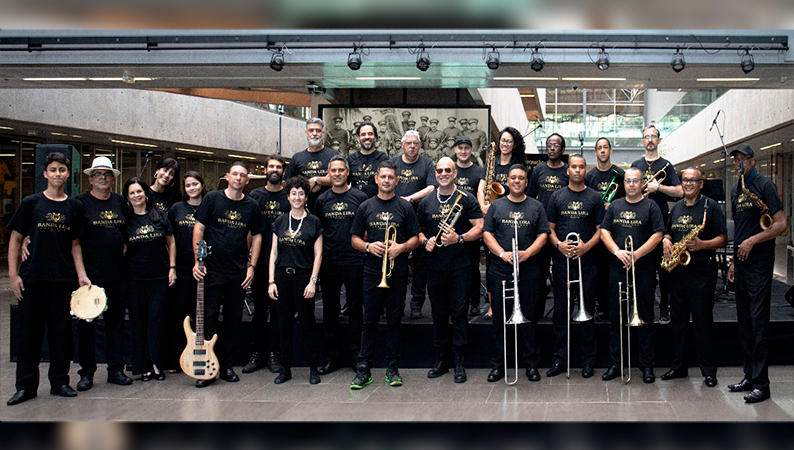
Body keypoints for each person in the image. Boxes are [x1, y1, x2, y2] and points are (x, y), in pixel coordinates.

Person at [7, 152, 86, 405]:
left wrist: (81, 275)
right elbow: (16, 239)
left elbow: (75, 245)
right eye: (53, 170)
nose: (57, 174)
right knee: (29, 335)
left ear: (67, 174)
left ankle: (60, 382)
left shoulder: (74, 206)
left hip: (63, 280)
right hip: (33, 279)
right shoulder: (31, 203)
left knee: (61, 335)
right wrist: (13, 275)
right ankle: (26, 386)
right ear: (45, 173)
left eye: (62, 170)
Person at [192, 161, 265, 388]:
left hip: (237, 273)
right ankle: (206, 366)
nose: (238, 178)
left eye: (243, 175)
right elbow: (199, 229)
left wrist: (251, 267)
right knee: (209, 318)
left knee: (233, 321)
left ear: (246, 180)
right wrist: (198, 261)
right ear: (227, 176)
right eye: (235, 174)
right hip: (212, 271)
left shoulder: (251, 206)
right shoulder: (212, 199)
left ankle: (226, 365)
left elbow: (258, 236)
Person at [349, 160, 420, 389]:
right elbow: (355, 239)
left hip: (397, 272)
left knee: (394, 321)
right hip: (372, 271)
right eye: (383, 177)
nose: (387, 181)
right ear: (376, 179)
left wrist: (401, 248)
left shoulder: (405, 207)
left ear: (397, 181)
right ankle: (364, 369)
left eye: (391, 177)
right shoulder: (366, 206)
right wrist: (369, 247)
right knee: (368, 321)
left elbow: (416, 238)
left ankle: (392, 367)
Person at [727, 144, 787, 403]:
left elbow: (782, 224)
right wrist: (732, 262)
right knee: (744, 324)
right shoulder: (735, 189)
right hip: (740, 263)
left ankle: (763, 385)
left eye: (742, 159)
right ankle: (749, 375)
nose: (738, 164)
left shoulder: (765, 186)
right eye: (735, 160)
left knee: (759, 323)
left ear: (752, 161)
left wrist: (753, 240)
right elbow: (739, 229)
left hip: (760, 263)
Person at [417, 157, 483, 383]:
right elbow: (419, 231)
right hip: (435, 267)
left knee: (458, 313)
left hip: (460, 266)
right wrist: (424, 240)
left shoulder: (467, 199)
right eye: (439, 170)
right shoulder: (426, 202)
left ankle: (459, 360)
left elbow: (481, 227)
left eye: (448, 170)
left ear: (455, 173)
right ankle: (441, 359)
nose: (443, 173)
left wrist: (460, 238)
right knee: (438, 314)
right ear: (435, 174)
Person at [483, 164, 549, 383]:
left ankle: (531, 365)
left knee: (529, 319)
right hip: (501, 270)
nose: (517, 181)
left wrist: (528, 253)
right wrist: (502, 254)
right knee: (499, 321)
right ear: (508, 181)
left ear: (527, 182)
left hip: (529, 270)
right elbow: (487, 235)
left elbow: (543, 235)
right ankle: (499, 365)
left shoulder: (536, 206)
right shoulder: (496, 206)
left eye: (521, 178)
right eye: (513, 178)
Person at [661, 167, 726, 388]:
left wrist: (702, 245)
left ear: (701, 184)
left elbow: (723, 238)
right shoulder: (677, 207)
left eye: (692, 180)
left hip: (701, 274)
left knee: (702, 323)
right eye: (685, 180)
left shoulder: (711, 207)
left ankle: (708, 371)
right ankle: (679, 367)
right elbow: (669, 231)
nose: (688, 184)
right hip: (677, 273)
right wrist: (667, 240)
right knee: (677, 323)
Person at [600, 167, 664, 384]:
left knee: (646, 316)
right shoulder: (615, 205)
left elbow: (658, 234)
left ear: (642, 183)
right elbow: (604, 232)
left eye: (636, 181)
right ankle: (615, 364)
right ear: (624, 183)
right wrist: (618, 251)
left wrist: (636, 255)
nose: (632, 184)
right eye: (628, 181)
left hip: (643, 269)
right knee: (616, 318)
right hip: (618, 268)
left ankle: (647, 366)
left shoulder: (651, 206)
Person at [73, 157, 133, 390]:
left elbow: (128, 233)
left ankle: (115, 370)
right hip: (88, 278)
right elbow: (74, 242)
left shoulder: (120, 202)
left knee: (115, 326)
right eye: (98, 174)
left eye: (107, 174)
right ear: (90, 178)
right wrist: (81, 274)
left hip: (117, 275)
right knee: (86, 327)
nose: (102, 178)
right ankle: (86, 373)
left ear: (113, 179)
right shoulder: (80, 203)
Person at [545, 154, 603, 378]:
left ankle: (588, 361)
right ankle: (560, 360)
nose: (577, 170)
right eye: (574, 167)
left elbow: (601, 230)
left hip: (586, 262)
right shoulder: (557, 196)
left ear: (585, 170)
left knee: (587, 312)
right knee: (561, 313)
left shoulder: (595, 197)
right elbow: (548, 228)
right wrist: (559, 245)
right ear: (567, 171)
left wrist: (585, 247)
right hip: (561, 262)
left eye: (581, 167)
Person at [314, 155, 369, 374]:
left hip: (355, 261)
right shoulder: (321, 200)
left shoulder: (360, 197)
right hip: (329, 262)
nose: (337, 174)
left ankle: (357, 356)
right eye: (333, 171)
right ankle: (332, 357)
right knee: (330, 311)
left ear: (347, 173)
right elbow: (319, 231)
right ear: (329, 173)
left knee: (356, 311)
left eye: (340, 170)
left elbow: (365, 229)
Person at [267, 176, 323, 385]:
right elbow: (273, 253)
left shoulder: (313, 221)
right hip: (282, 277)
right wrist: (271, 281)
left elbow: (318, 254)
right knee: (284, 325)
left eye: (301, 193)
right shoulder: (280, 221)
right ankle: (286, 368)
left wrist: (313, 281)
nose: (297, 197)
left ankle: (313, 368)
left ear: (306, 197)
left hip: (303, 278)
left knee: (308, 324)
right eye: (293, 193)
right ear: (288, 197)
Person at [122, 177, 177, 382]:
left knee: (157, 320)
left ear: (146, 193)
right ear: (127, 197)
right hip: (135, 277)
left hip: (160, 276)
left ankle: (156, 364)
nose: (136, 195)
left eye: (139, 191)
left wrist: (172, 267)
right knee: (138, 322)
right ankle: (141, 366)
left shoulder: (159, 216)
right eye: (132, 193)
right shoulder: (125, 220)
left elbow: (171, 244)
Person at [243, 155, 289, 375]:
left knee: (278, 311)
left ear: (283, 171)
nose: (274, 170)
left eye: (278, 167)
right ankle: (257, 352)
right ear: (266, 170)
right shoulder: (255, 196)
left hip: (283, 262)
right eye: (271, 166)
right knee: (259, 311)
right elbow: (249, 231)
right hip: (260, 262)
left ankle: (274, 353)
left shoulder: (289, 196)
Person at [631, 125, 683, 324]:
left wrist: (658, 187)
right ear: (642, 141)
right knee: (643, 267)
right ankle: (642, 306)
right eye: (647, 137)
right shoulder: (636, 165)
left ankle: (664, 306)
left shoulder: (667, 165)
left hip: (661, 220)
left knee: (664, 267)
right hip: (640, 222)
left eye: (653, 136)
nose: (650, 139)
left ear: (659, 140)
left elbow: (679, 192)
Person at [477, 127, 527, 320]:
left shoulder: (517, 165)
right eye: (502, 141)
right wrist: (483, 206)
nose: (504, 144)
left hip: (510, 216)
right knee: (492, 263)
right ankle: (492, 306)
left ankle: (515, 302)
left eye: (509, 141)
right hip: (491, 215)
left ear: (514, 145)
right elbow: (482, 188)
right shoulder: (492, 163)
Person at [389, 130, 436, 319]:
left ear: (420, 145)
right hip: (396, 219)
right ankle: (393, 305)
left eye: (415, 143)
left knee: (420, 265)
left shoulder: (427, 163)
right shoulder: (393, 162)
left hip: (419, 219)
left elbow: (432, 187)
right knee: (394, 260)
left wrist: (409, 198)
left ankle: (417, 303)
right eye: (408, 143)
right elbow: (386, 183)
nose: (412, 146)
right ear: (402, 145)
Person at [165, 171, 207, 374]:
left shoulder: (210, 205)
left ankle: (200, 353)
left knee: (199, 312)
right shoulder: (176, 209)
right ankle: (175, 358)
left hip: (203, 266)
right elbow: (169, 237)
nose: (192, 188)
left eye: (195, 184)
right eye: (188, 185)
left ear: (202, 185)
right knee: (179, 313)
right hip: (182, 266)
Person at [527, 133, 569, 317]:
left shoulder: (567, 171)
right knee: (540, 273)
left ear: (562, 149)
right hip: (541, 230)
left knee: (562, 276)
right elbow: (530, 197)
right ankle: (537, 314)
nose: (552, 148)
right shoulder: (538, 170)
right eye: (549, 145)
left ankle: (563, 315)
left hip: (561, 230)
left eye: (556, 145)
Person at [585, 137, 625, 321]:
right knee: (597, 271)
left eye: (605, 147)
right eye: (599, 148)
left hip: (615, 231)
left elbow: (628, 200)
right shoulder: (589, 176)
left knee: (613, 270)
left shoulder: (620, 174)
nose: (602, 151)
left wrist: (614, 205)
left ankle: (614, 307)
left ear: (610, 150)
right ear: (595, 152)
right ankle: (599, 306)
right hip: (595, 230)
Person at [453, 136, 486, 316]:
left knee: (473, 267)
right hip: (453, 225)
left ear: (471, 150)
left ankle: (475, 302)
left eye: (466, 148)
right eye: (460, 148)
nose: (463, 151)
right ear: (455, 150)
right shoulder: (450, 169)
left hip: (472, 225)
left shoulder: (478, 171)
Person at [286, 117, 340, 213]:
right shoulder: (297, 158)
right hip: (304, 210)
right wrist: (309, 185)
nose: (314, 134)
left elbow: (340, 180)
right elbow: (288, 184)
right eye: (311, 130)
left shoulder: (333, 155)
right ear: (306, 132)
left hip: (331, 209)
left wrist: (316, 180)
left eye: (318, 131)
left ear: (323, 133)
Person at [347, 121, 389, 198]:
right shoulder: (351, 159)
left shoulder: (383, 158)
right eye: (363, 134)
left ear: (375, 137)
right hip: (355, 203)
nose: (367, 137)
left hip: (377, 205)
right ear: (358, 138)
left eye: (370, 134)